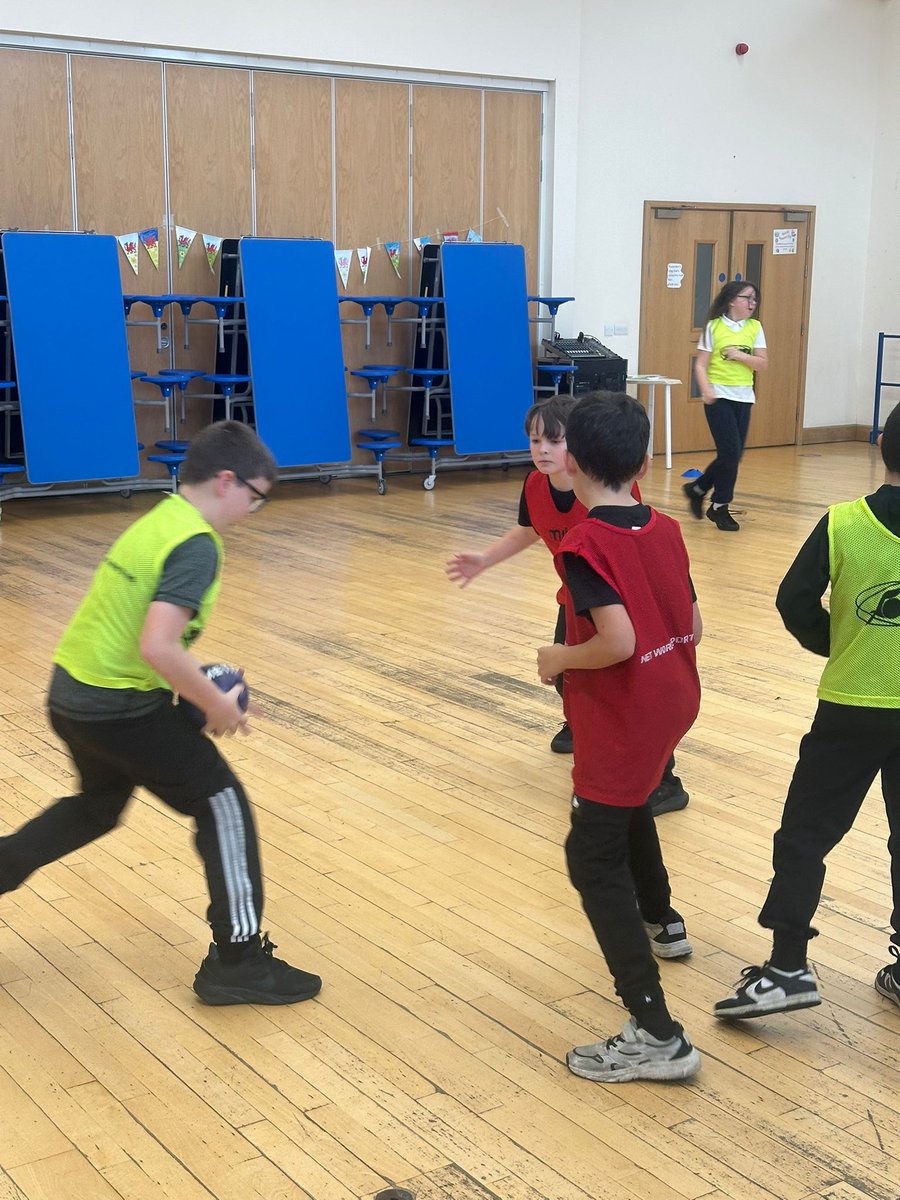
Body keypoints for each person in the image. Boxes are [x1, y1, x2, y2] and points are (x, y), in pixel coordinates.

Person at [0, 420, 322, 1007]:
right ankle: (239, 960)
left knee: (96, 807)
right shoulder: (195, 543)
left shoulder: (159, 520)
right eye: (256, 497)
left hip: (72, 694)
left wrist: (193, 685)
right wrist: (213, 701)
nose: (254, 510)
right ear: (227, 481)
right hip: (119, 707)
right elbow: (158, 647)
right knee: (222, 805)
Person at [536, 391, 703, 1082]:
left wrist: (560, 660)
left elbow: (618, 639)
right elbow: (693, 616)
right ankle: (663, 920)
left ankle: (656, 1032)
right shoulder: (663, 527)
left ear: (572, 463)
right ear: (639, 461)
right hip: (675, 699)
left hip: (626, 713)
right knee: (631, 802)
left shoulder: (584, 545)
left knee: (590, 859)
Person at [714, 406, 900, 1020]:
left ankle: (789, 964)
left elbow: (794, 600)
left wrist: (838, 639)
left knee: (804, 836)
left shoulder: (845, 521)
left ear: (878, 445)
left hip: (851, 707)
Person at [446, 395, 689, 817]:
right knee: (573, 680)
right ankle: (583, 728)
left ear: (575, 452)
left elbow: (635, 557)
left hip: (624, 604)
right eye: (535, 440)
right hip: (576, 600)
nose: (542, 449)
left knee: (627, 688)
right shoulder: (535, 487)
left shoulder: (611, 493)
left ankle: (659, 777)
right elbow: (529, 531)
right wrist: (485, 560)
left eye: (553, 441)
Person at [684, 280, 768, 533]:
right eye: (747, 298)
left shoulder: (755, 327)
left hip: (744, 397)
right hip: (718, 396)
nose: (752, 303)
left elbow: (762, 364)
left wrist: (740, 355)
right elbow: (700, 364)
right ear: (732, 300)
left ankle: (697, 488)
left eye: (754, 299)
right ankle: (720, 506)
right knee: (731, 452)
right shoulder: (714, 327)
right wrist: (706, 389)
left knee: (732, 455)